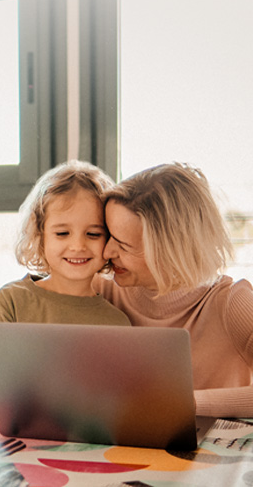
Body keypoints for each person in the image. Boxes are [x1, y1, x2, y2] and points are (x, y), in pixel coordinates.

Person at [0, 160, 131, 423]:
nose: (77, 245)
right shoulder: (12, 300)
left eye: (93, 234)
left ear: (109, 240)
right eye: (62, 233)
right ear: (40, 237)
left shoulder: (118, 322)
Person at [95, 162, 253, 418]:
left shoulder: (231, 303)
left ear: (170, 250)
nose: (107, 252)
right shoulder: (100, 292)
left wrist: (187, 403)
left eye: (124, 245)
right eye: (108, 235)